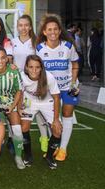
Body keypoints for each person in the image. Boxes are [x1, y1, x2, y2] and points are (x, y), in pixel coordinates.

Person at [36, 14, 79, 161]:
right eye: (49, 29)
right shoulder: (40, 49)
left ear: (60, 31)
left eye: (55, 29)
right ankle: (54, 145)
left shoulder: (68, 46)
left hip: (68, 87)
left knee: (67, 116)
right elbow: (37, 70)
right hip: (50, 91)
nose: (53, 32)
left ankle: (63, 149)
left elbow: (75, 64)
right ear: (44, 32)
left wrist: (73, 83)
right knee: (52, 119)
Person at [12, 14, 49, 153]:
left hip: (35, 81)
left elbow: (40, 63)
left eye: (26, 25)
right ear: (17, 26)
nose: (23, 28)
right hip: (19, 83)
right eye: (20, 25)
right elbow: (10, 60)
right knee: (22, 113)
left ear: (30, 26)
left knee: (40, 113)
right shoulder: (13, 41)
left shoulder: (36, 43)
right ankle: (18, 142)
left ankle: (44, 138)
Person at [19, 55, 62, 169]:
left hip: (47, 102)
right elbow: (20, 93)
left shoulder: (49, 77)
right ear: (26, 67)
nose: (34, 70)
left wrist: (56, 120)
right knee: (23, 128)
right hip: (29, 102)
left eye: (37, 67)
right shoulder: (21, 76)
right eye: (31, 67)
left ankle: (49, 156)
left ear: (41, 68)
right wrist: (19, 107)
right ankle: (28, 155)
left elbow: (57, 98)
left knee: (57, 130)